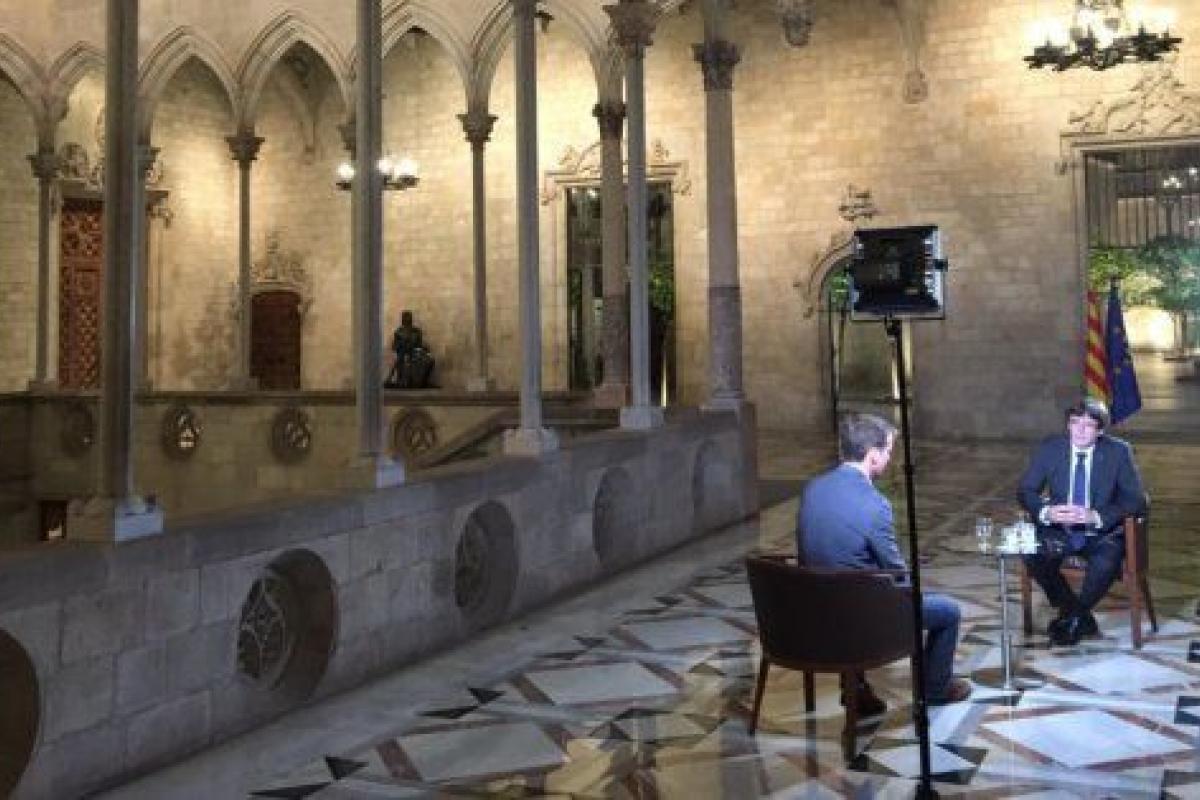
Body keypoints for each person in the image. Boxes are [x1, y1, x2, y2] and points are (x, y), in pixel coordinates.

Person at [796, 413, 971, 715]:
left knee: (851, 585)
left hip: (813, 608)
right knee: (948, 611)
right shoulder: (875, 505)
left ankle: (856, 688)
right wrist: (912, 591)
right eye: (889, 451)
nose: (890, 458)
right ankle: (935, 688)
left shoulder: (813, 488)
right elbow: (897, 573)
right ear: (873, 455)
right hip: (860, 617)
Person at [1018, 398, 1145, 646]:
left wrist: (1095, 516)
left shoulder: (1118, 452)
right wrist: (1047, 512)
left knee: (1106, 561)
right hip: (1059, 531)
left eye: (1088, 425)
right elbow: (1026, 491)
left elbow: (1136, 500)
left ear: (1100, 430)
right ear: (1068, 425)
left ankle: (1074, 618)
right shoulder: (1051, 449)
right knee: (1031, 552)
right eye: (1075, 423)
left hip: (1102, 534)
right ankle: (1076, 614)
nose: (1080, 431)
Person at [385, 310, 435, 389]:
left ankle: (420, 381)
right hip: (402, 353)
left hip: (415, 353)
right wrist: (402, 346)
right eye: (405, 318)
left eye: (409, 318)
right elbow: (394, 346)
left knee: (428, 359)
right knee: (400, 359)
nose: (407, 320)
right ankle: (399, 380)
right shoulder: (398, 332)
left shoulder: (416, 331)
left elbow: (419, 344)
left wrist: (422, 349)